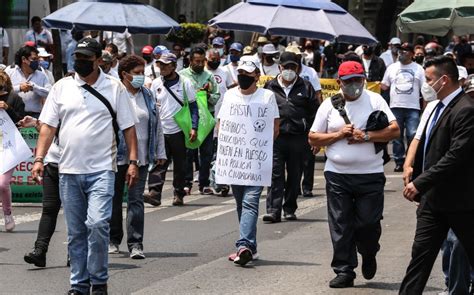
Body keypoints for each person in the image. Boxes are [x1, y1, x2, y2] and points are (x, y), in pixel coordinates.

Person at [31, 37, 139, 295]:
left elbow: (128, 128)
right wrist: (39, 158)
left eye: (85, 59)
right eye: (77, 58)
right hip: (68, 171)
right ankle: (79, 284)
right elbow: (48, 127)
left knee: (98, 223)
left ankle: (99, 281)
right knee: (77, 232)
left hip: (102, 170)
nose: (80, 62)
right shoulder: (61, 87)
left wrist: (133, 161)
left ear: (98, 60)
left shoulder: (114, 88)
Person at [309, 61, 399, 288]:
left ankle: (369, 252)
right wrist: (338, 135)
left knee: (368, 223)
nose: (354, 85)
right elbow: (313, 138)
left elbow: (395, 130)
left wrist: (366, 136)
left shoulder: (375, 100)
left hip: (370, 174)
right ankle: (344, 270)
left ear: (364, 79)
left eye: (358, 80)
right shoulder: (329, 105)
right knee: (341, 223)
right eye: (348, 82)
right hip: (338, 175)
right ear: (339, 83)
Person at [399, 56, 474, 295]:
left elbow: (455, 156)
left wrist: (420, 183)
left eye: (429, 79)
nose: (425, 84)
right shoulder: (435, 107)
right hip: (433, 202)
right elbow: (424, 144)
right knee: (419, 259)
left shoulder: (466, 110)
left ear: (444, 80)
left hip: (461, 203)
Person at [217, 58, 280, 266]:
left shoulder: (267, 96)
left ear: (257, 77)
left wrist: (259, 147)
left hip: (256, 161)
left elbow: (275, 128)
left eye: (248, 74)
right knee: (240, 204)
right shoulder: (229, 96)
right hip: (234, 162)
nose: (243, 77)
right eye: (240, 73)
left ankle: (243, 245)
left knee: (250, 202)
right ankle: (250, 248)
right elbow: (221, 125)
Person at [108, 55, 166, 259]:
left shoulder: (148, 95)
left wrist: (160, 152)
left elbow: (157, 124)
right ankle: (113, 239)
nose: (141, 76)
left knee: (135, 201)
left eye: (143, 72)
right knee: (113, 199)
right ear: (124, 74)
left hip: (141, 157)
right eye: (137, 73)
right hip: (116, 157)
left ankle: (135, 244)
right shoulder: (115, 94)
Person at [262, 52, 318, 223]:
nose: (288, 70)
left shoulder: (306, 87)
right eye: (285, 67)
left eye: (292, 67)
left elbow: (315, 113)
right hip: (276, 138)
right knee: (275, 174)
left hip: (298, 138)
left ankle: (290, 208)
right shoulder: (269, 87)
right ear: (279, 67)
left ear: (298, 68)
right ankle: (273, 210)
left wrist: (313, 137)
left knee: (295, 174)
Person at [145, 53, 199, 206]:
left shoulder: (185, 83)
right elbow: (152, 106)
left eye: (165, 65)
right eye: (160, 64)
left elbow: (194, 107)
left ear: (174, 66)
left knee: (180, 164)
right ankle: (155, 193)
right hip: (161, 130)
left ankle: (179, 193)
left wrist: (194, 127)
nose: (161, 68)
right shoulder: (156, 83)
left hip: (179, 130)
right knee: (159, 162)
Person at [21, 115, 61, 268]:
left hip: (75, 166)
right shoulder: (57, 95)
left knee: (75, 211)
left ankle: (75, 253)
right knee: (49, 208)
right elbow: (48, 128)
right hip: (52, 163)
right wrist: (35, 123)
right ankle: (40, 251)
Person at [179, 46, 220, 195]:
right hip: (189, 119)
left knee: (206, 152)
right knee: (189, 152)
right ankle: (187, 183)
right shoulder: (181, 76)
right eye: (197, 61)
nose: (200, 64)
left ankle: (204, 183)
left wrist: (207, 94)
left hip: (206, 120)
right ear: (190, 61)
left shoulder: (209, 77)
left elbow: (216, 97)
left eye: (203, 61)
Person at [381, 43, 425, 172]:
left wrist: (426, 106)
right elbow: (385, 85)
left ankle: (410, 159)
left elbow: (424, 89)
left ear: (412, 54)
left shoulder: (419, 69)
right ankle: (399, 161)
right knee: (397, 136)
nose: (402, 53)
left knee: (412, 134)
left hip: (413, 107)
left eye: (405, 51)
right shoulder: (391, 68)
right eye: (400, 50)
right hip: (395, 106)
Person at [0, 71, 25, 232]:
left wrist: (7, 108)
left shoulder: (14, 99)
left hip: (8, 147)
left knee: (2, 184)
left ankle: (7, 213)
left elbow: (21, 121)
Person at [5, 46, 51, 118]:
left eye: (37, 59)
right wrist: (19, 88)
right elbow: (3, 90)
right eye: (34, 59)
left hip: (34, 116)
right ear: (24, 59)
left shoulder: (41, 75)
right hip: (13, 114)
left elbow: (50, 93)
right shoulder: (10, 71)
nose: (37, 62)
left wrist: (34, 88)